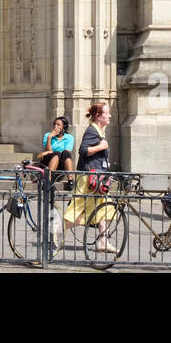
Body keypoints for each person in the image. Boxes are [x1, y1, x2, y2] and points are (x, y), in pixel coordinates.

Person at [63, 102, 114, 248]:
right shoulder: (92, 131)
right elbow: (83, 150)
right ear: (98, 116)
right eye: (106, 113)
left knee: (106, 209)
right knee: (79, 210)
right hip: (88, 179)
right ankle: (55, 232)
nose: (109, 115)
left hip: (98, 178)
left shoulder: (99, 131)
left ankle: (103, 242)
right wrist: (101, 147)